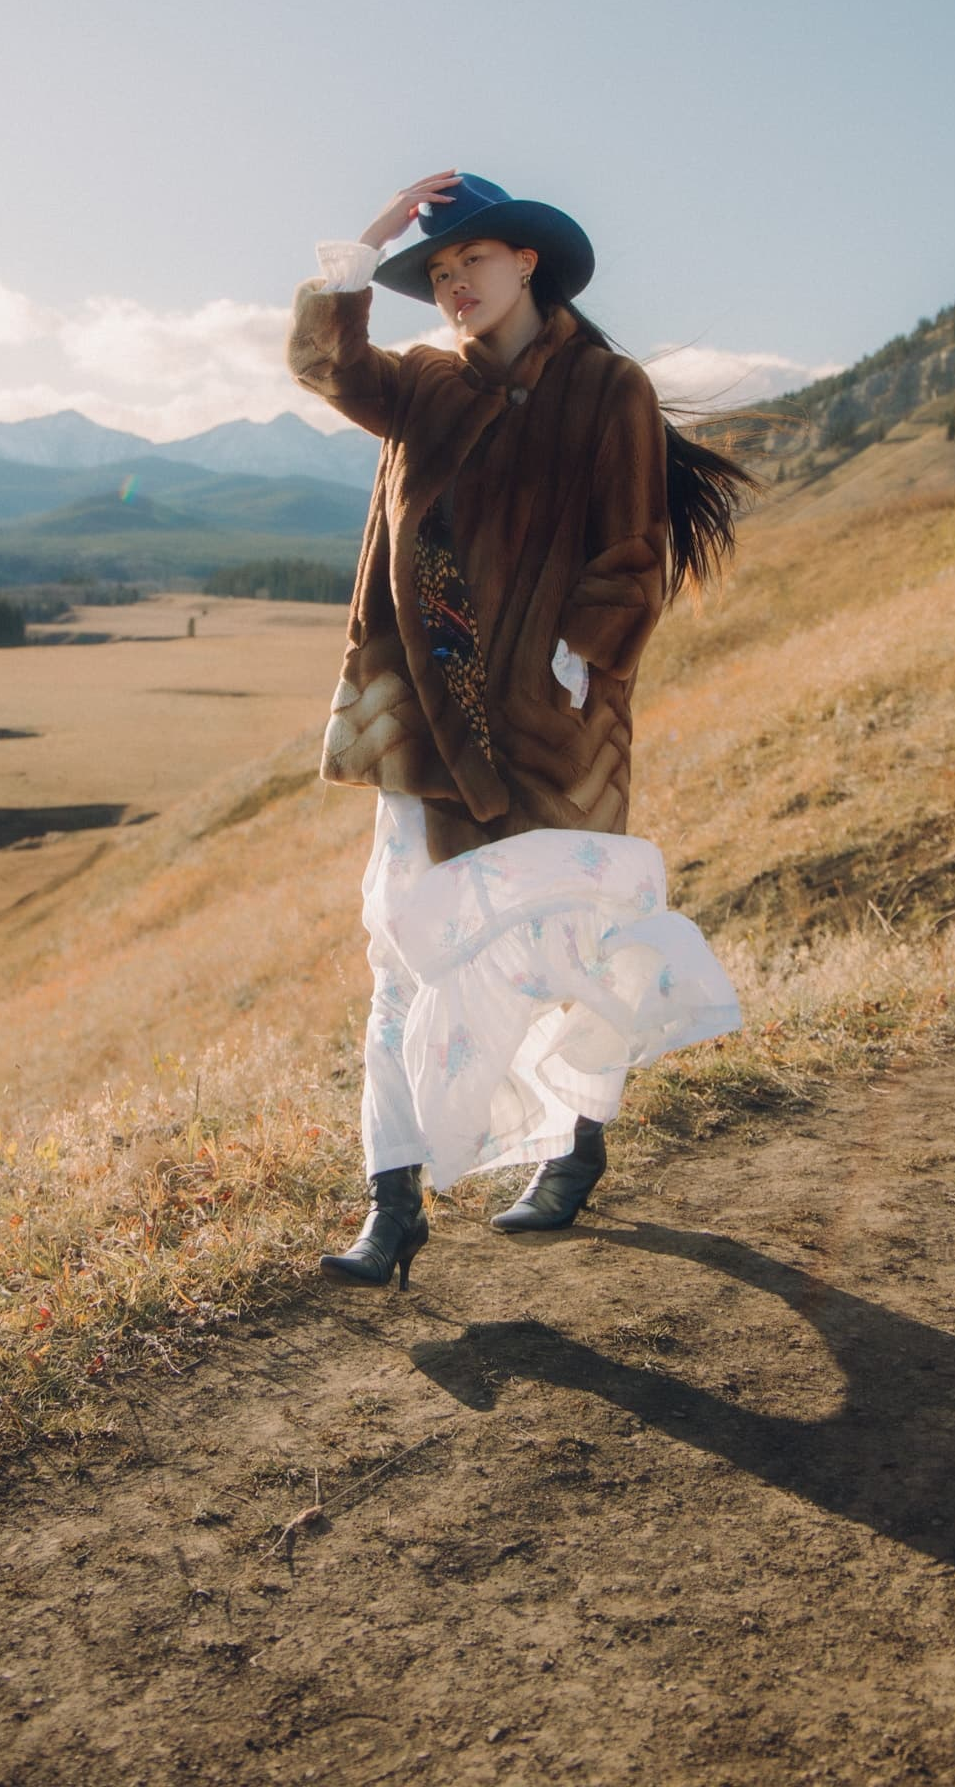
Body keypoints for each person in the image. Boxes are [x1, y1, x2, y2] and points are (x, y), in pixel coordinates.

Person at [287, 170, 755, 1290]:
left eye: (471, 265)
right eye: (438, 275)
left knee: (567, 953)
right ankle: (389, 1206)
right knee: (403, 952)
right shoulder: (419, 389)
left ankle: (571, 1147)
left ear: (527, 263)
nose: (452, 288)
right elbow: (320, 364)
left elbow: (633, 548)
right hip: (428, 729)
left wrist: (576, 660)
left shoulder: (607, 388)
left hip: (552, 727)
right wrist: (363, 245)